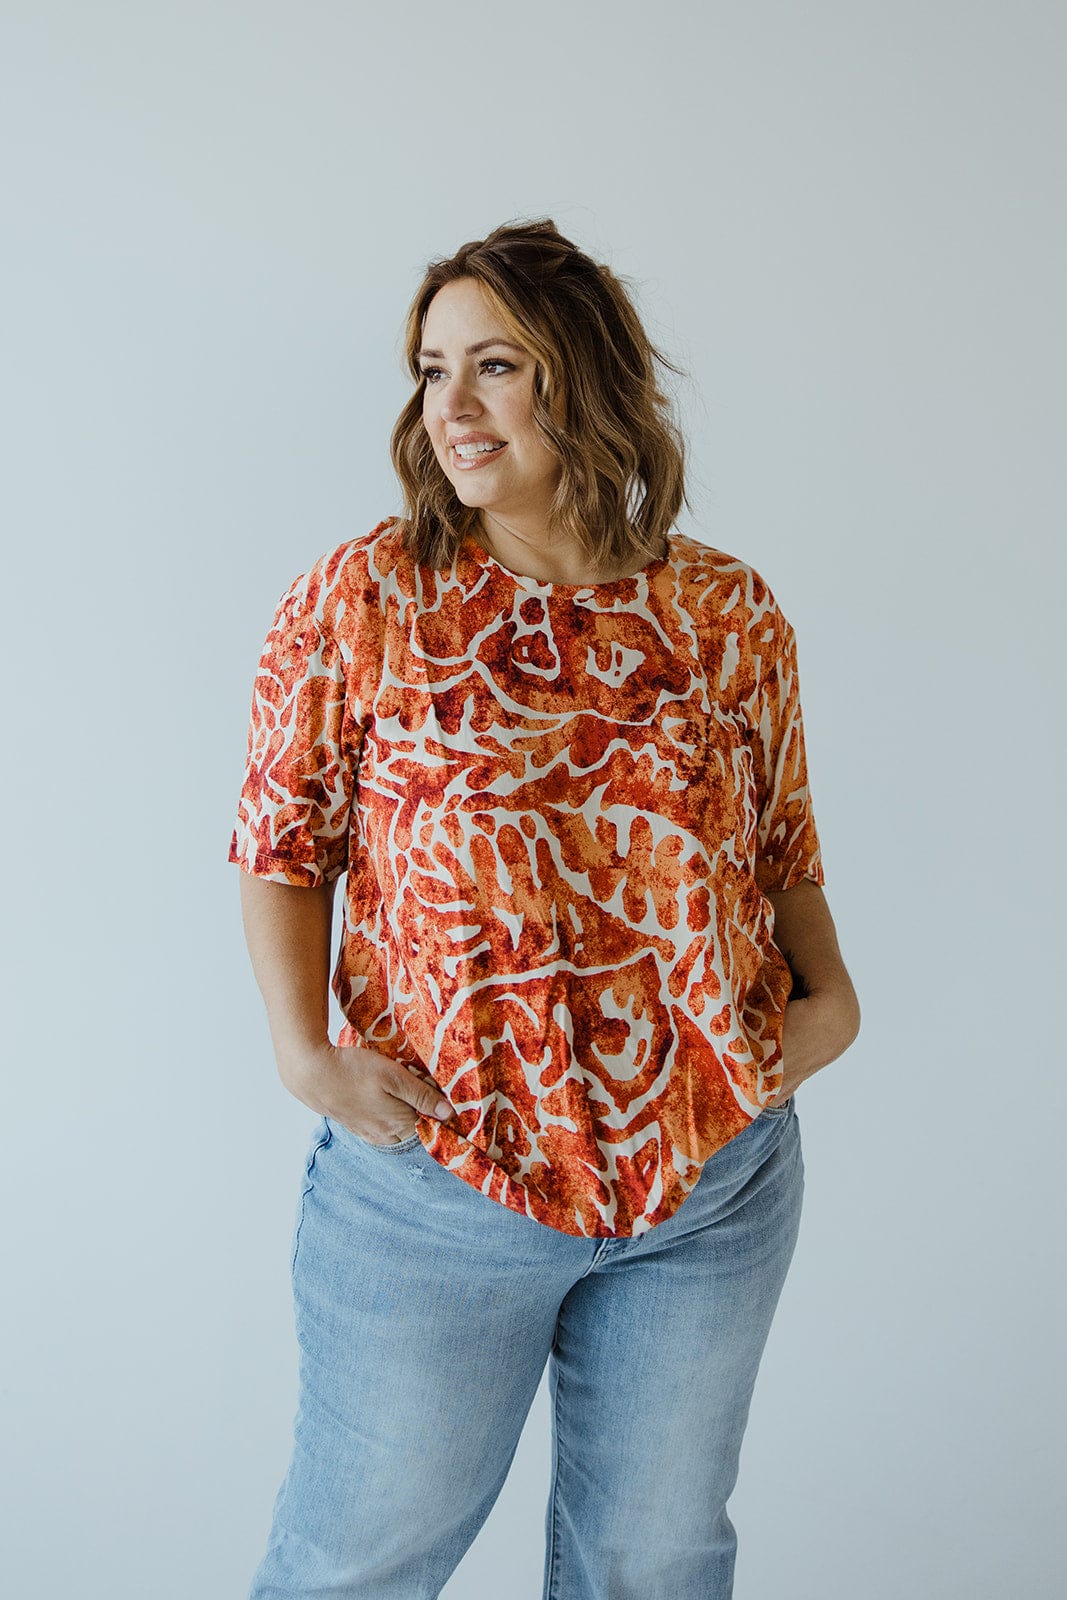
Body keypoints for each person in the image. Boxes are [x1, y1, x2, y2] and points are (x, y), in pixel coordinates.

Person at [230, 217, 861, 1600]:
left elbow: (778, 846)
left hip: (710, 1180)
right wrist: (303, 1053)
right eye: (430, 369)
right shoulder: (367, 601)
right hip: (436, 1186)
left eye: (494, 366)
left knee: (653, 1563)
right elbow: (283, 843)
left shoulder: (729, 615)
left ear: (582, 376)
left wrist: (831, 1006)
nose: (448, 407)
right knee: (358, 1562)